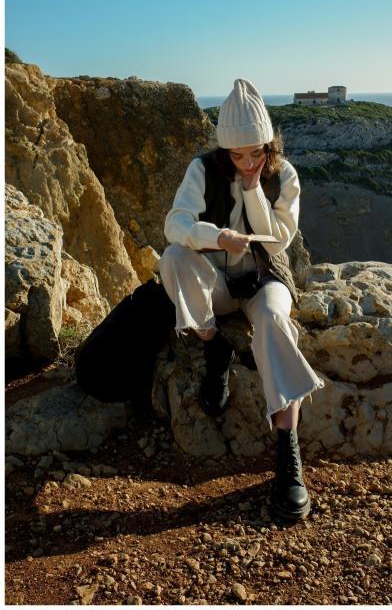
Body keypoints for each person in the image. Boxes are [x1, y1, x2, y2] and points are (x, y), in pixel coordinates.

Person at [160, 78, 325, 520]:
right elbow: (174, 225)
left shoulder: (283, 175)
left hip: (263, 279)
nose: (248, 162)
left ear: (269, 145)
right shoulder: (203, 170)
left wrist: (252, 190)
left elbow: (276, 243)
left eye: (256, 153)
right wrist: (214, 236)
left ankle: (288, 458)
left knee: (274, 321)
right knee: (174, 259)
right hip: (216, 281)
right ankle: (214, 345)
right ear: (224, 151)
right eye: (238, 156)